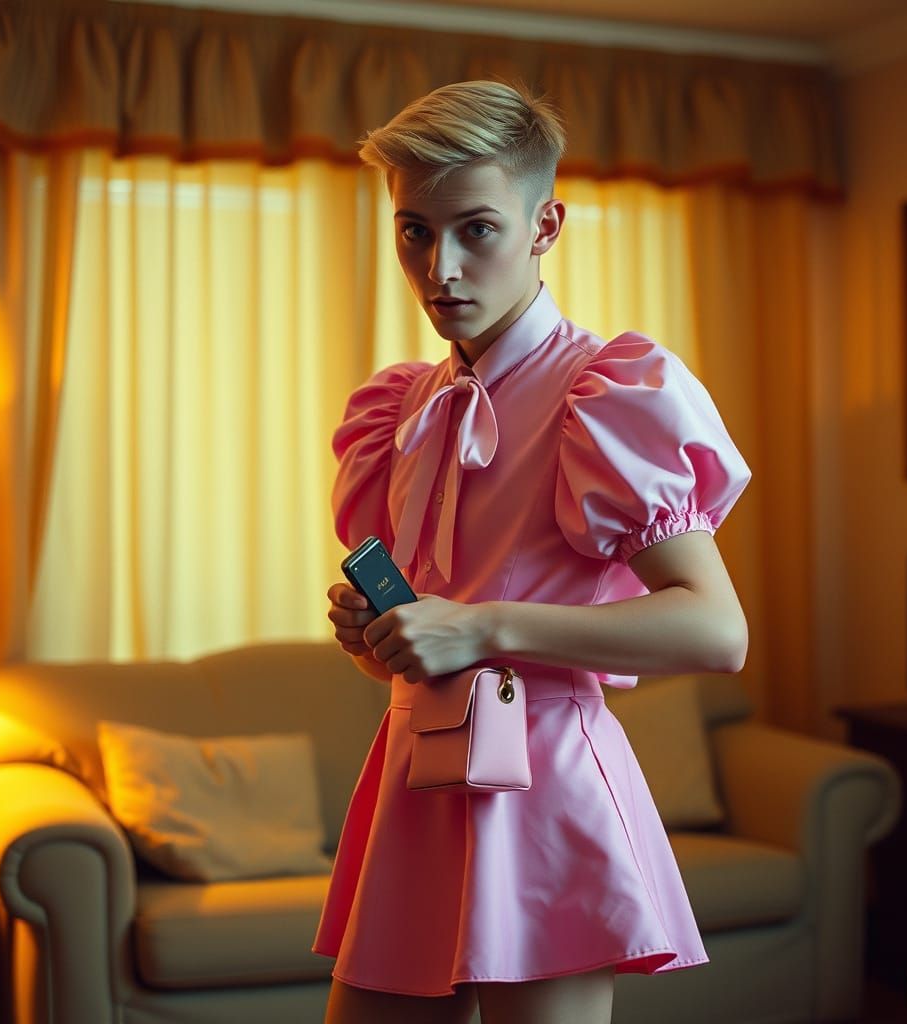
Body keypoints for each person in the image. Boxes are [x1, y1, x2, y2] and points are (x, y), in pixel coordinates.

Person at [312, 79, 752, 1024]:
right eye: (414, 232)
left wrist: (473, 627)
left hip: (546, 784)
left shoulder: (609, 394)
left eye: (477, 229)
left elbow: (717, 630)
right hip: (416, 773)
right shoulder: (400, 408)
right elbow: (423, 637)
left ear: (545, 224)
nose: (442, 268)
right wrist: (379, 633)